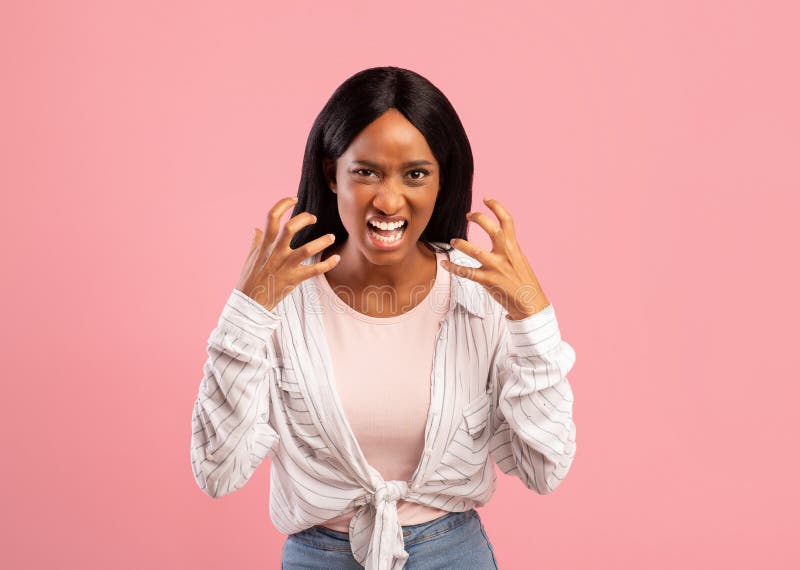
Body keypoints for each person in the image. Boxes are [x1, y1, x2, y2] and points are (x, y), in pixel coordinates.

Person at [190, 66, 577, 570]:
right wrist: (246, 313)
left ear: (442, 180)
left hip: (453, 555)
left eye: (415, 174)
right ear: (332, 174)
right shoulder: (281, 300)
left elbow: (546, 468)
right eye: (366, 171)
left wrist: (532, 318)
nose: (389, 200)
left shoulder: (481, 296)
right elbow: (217, 472)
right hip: (317, 558)